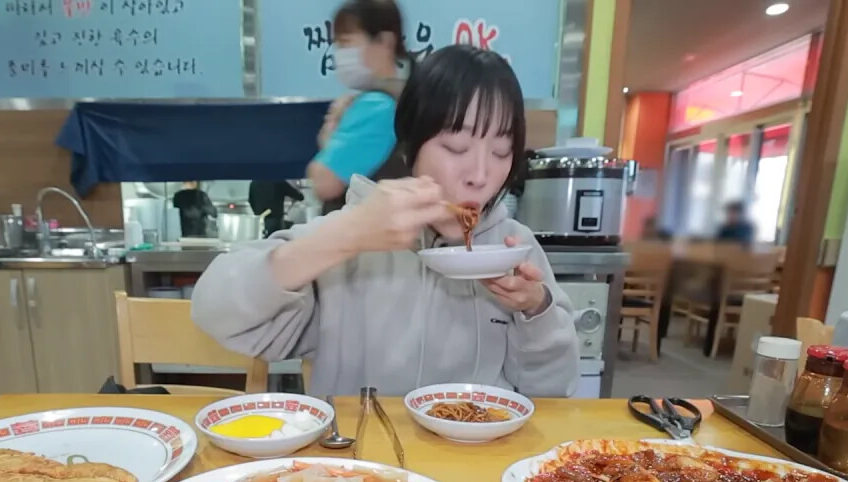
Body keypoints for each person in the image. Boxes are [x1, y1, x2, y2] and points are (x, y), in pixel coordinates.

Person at [192, 45, 582, 398]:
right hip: (360, 450)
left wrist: (536, 309)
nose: (480, 176)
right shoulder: (354, 233)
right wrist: (348, 236)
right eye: (456, 147)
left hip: (481, 450)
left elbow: (554, 390)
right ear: (410, 146)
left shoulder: (513, 246)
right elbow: (215, 312)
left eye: (500, 151)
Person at [308, 0, 408, 211]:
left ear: (385, 42)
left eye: (347, 43)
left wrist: (330, 130)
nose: (340, 54)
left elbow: (324, 182)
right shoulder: (403, 95)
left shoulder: (377, 106)